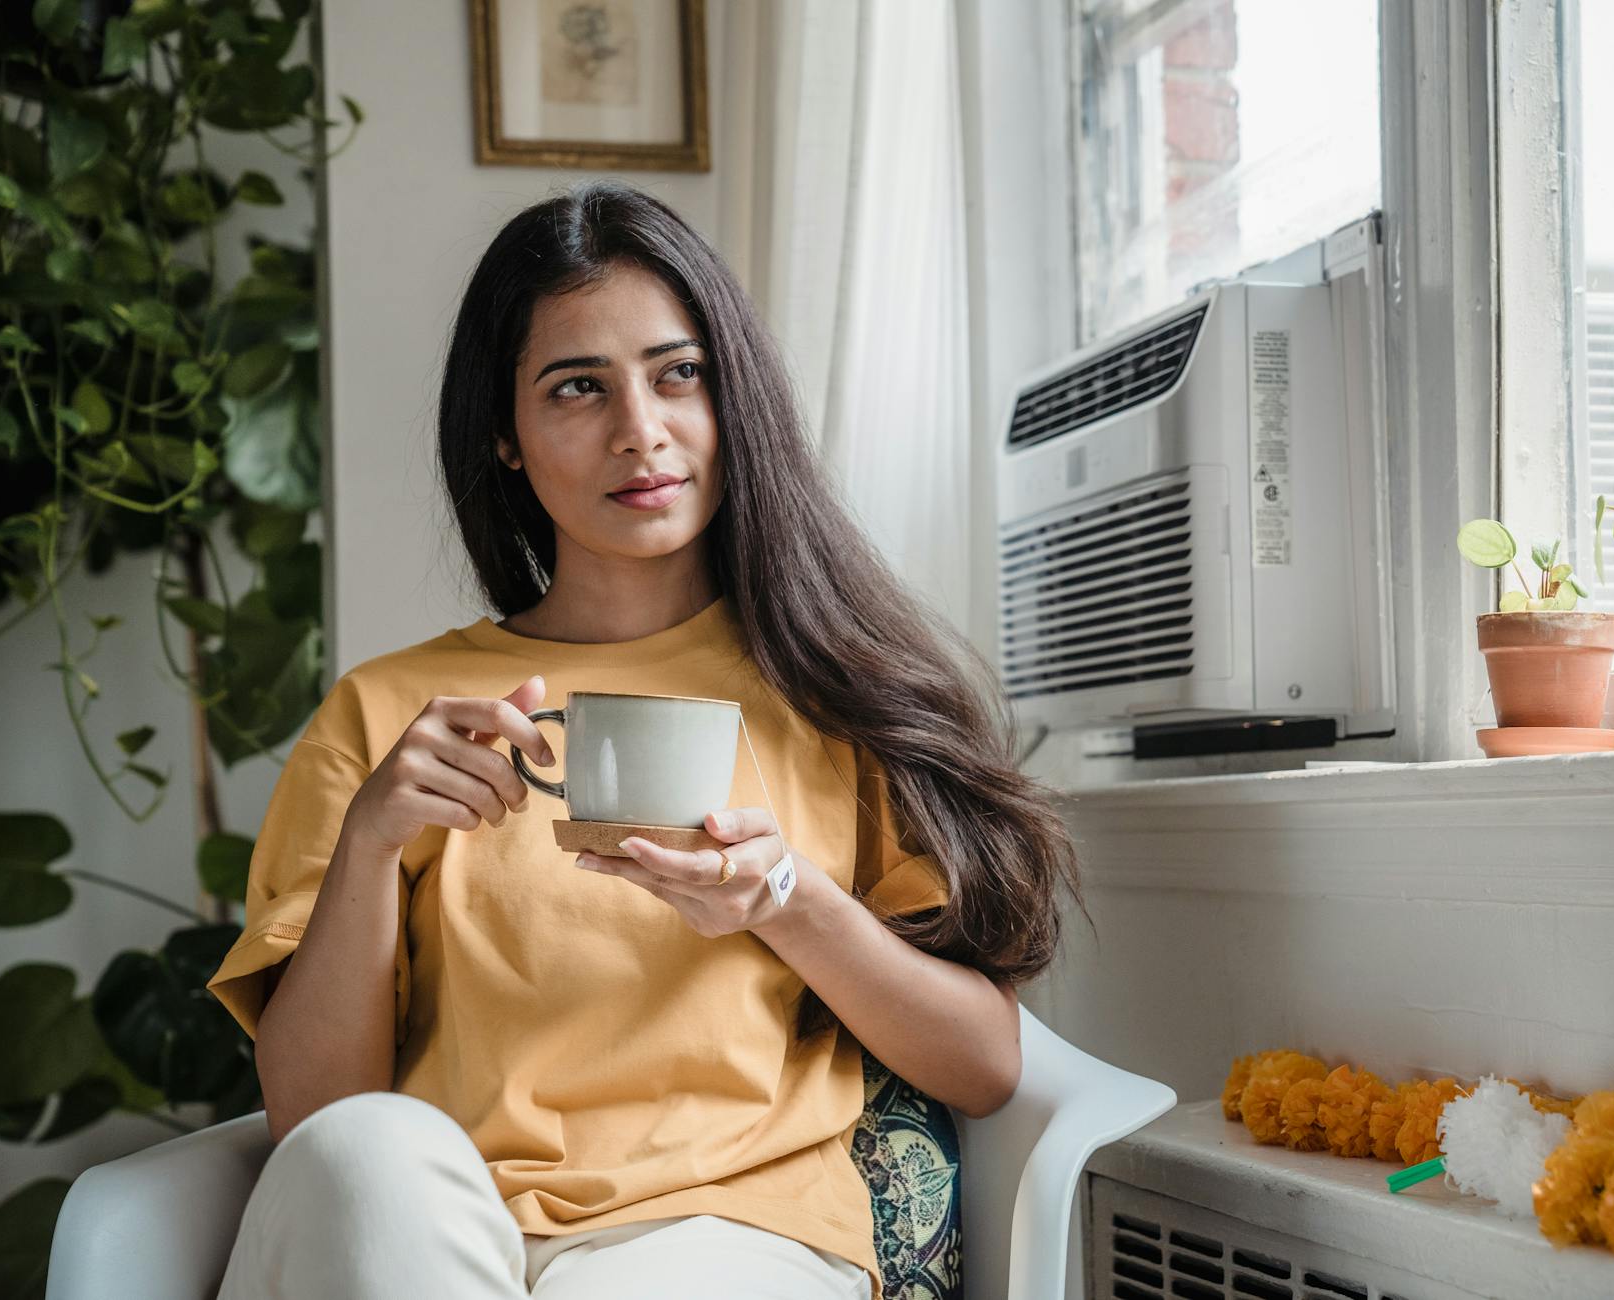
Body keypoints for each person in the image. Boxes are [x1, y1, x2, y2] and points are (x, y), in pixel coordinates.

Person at [205, 180, 1079, 1299]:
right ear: (504, 439)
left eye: (680, 374)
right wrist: (375, 839)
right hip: (434, 1243)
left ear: (733, 399)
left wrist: (787, 902)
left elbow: (986, 1063)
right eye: (578, 388)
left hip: (730, 1236)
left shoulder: (838, 695)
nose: (642, 430)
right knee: (367, 1157)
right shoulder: (389, 715)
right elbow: (318, 1121)